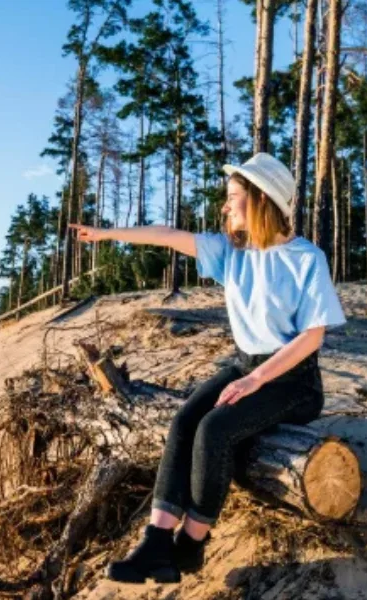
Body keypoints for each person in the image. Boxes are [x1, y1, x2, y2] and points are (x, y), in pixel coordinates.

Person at [68, 152, 347, 584]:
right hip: (244, 364)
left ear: (260, 200)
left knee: (215, 430)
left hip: (293, 380)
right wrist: (107, 233)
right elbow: (168, 236)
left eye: (233, 196)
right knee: (185, 420)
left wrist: (256, 379)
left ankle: (190, 546)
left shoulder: (306, 258)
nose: (224, 205)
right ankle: (156, 543)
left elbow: (312, 337)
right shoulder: (231, 253)